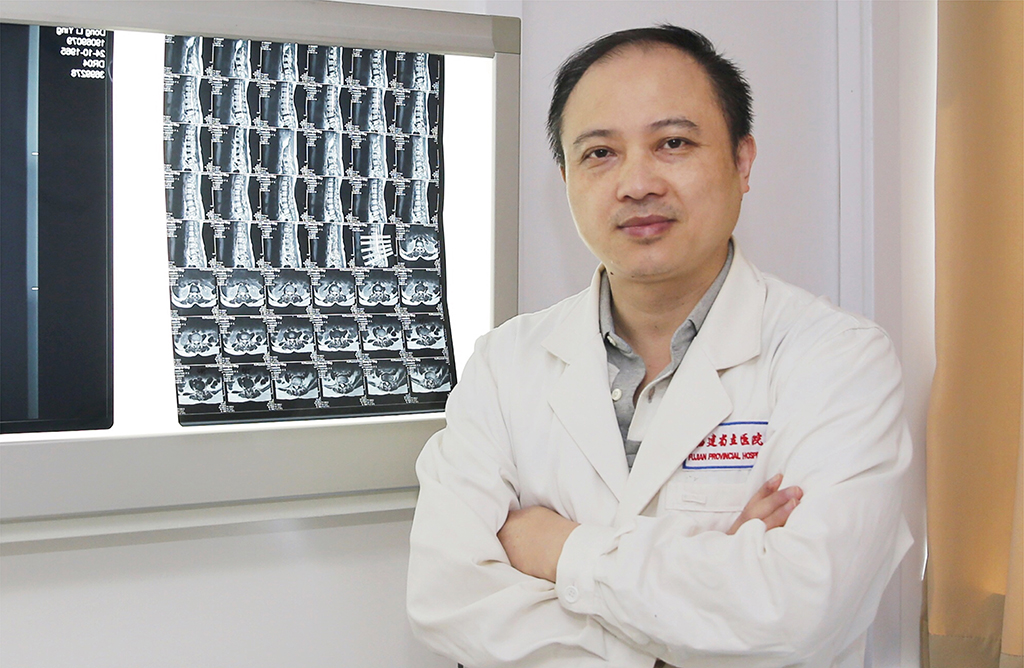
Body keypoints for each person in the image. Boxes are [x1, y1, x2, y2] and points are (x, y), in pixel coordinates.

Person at [407, 25, 912, 668]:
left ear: (742, 161)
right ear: (565, 178)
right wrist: (699, 614)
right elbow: (446, 598)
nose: (637, 183)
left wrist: (558, 549)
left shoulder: (838, 361)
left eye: (673, 143)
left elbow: (798, 611)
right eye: (599, 153)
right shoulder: (505, 365)